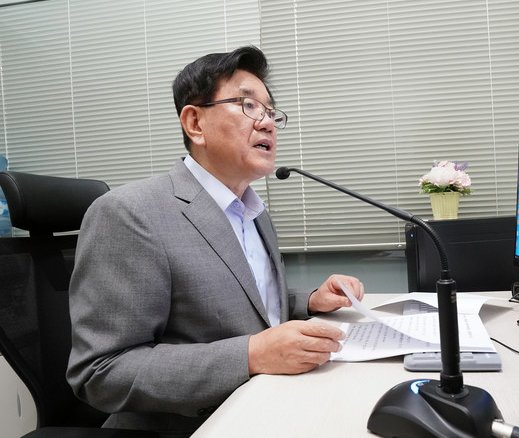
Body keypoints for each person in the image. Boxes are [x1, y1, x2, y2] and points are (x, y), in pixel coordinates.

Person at [67, 46, 365, 437]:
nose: (267, 122)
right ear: (195, 123)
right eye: (248, 105)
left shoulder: (254, 212)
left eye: (271, 111)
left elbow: (237, 304)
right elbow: (101, 372)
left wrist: (308, 301)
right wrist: (250, 355)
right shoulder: (129, 213)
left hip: (272, 405)